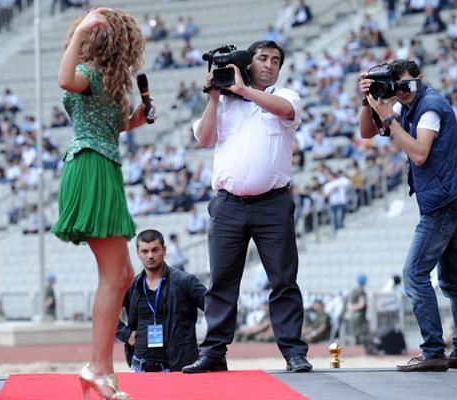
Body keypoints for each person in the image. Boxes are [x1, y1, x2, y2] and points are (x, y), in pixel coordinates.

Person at [182, 40, 312, 374]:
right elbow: (204, 138)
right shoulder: (225, 103)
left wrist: (243, 89)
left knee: (283, 280)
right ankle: (214, 351)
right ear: (248, 63)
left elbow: (286, 111)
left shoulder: (286, 95)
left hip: (272, 204)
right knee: (221, 282)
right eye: (262, 58)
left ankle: (293, 352)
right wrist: (214, 97)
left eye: (275, 60)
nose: (269, 64)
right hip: (228, 205)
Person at [51, 8, 149, 400]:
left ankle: (99, 367)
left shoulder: (106, 79)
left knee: (122, 274)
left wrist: (133, 122)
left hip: (102, 165)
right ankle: (98, 368)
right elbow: (64, 80)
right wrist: (81, 31)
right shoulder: (88, 72)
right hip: (91, 165)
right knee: (113, 275)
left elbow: (105, 124)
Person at [359, 59, 457, 372]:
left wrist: (389, 117)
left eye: (407, 85)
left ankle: (433, 351)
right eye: (396, 87)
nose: (401, 92)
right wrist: (367, 101)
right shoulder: (407, 104)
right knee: (452, 277)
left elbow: (419, 153)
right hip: (446, 197)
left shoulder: (430, 107)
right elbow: (366, 131)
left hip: (442, 202)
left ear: (420, 79)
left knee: (414, 273)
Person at [116, 230, 206, 372]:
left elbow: (215, 310)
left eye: (155, 250)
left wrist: (211, 345)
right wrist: (125, 334)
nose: (150, 256)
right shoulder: (132, 286)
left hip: (178, 367)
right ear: (138, 253)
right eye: (144, 251)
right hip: (140, 366)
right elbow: (106, 312)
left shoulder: (185, 281)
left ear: (164, 250)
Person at [347, 275, 368, 344]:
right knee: (360, 336)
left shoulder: (354, 290)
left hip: (352, 315)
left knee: (354, 336)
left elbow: (349, 305)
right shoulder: (360, 291)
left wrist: (351, 309)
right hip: (359, 316)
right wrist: (354, 308)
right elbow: (361, 304)